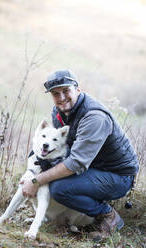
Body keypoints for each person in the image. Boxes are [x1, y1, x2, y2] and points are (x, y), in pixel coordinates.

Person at [21, 69, 139, 240]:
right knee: (55, 181)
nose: (61, 98)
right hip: (92, 168)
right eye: (55, 94)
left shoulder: (94, 117)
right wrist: (33, 171)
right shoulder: (59, 112)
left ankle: (108, 216)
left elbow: (75, 163)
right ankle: (65, 216)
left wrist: (36, 180)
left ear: (77, 89)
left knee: (60, 188)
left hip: (118, 176)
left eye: (66, 91)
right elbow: (61, 149)